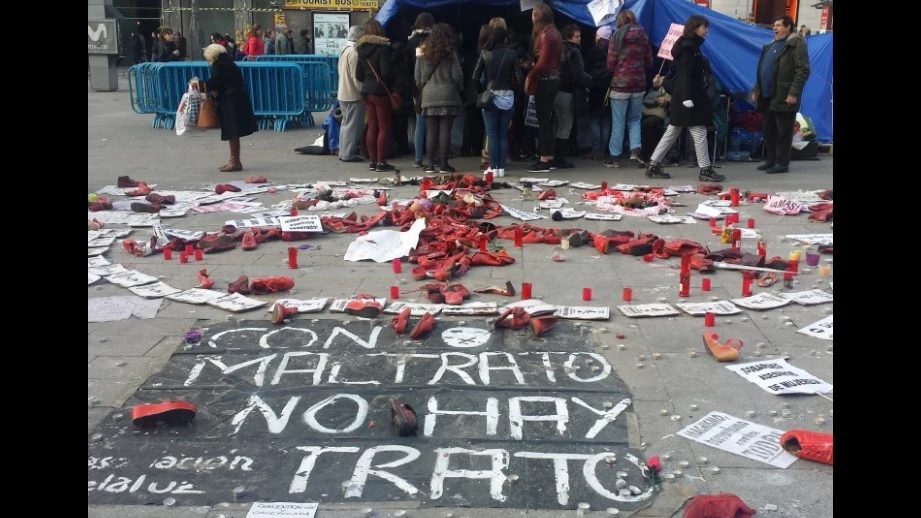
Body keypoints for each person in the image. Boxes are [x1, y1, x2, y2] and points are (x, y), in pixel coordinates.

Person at [645, 15, 725, 181]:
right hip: (688, 98)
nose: (706, 30)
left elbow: (678, 72)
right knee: (699, 132)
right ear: (696, 27)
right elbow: (686, 75)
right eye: (704, 27)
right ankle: (705, 169)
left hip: (681, 98)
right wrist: (687, 97)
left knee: (672, 132)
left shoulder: (685, 46)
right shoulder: (690, 48)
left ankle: (653, 164)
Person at [751, 15, 810, 174]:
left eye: (778, 25)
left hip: (783, 94)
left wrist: (793, 92)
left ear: (788, 27)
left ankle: (782, 163)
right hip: (767, 95)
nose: (774, 28)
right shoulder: (771, 44)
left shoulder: (794, 44)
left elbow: (802, 70)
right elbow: (763, 69)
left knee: (783, 131)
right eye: (774, 25)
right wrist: (757, 88)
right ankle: (770, 161)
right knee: (769, 130)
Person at [190, 44, 258, 172]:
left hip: (231, 100)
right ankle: (233, 160)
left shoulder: (220, 65)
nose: (208, 62)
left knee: (232, 130)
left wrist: (198, 84)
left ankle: (235, 161)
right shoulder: (228, 63)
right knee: (233, 130)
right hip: (236, 97)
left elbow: (215, 82)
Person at [604, 9, 652, 168]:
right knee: (635, 119)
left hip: (620, 85)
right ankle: (635, 153)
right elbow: (649, 62)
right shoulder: (643, 36)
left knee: (618, 122)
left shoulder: (616, 36)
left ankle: (615, 157)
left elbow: (610, 64)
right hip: (639, 84)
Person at [415, 23, 464, 173]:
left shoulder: (422, 53)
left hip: (429, 95)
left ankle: (429, 165)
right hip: (448, 94)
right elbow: (457, 75)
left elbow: (418, 77)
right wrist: (458, 87)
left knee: (431, 131)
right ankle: (444, 165)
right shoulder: (450, 52)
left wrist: (425, 86)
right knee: (445, 131)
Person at [473, 25, 521, 178]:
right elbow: (519, 78)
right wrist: (516, 94)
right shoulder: (512, 54)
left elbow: (475, 77)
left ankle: (493, 167)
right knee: (503, 134)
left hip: (490, 96)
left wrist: (481, 92)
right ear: (506, 37)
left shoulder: (485, 53)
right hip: (507, 96)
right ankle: (501, 168)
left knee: (492, 134)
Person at [525, 3, 562, 173]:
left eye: (533, 14)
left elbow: (544, 61)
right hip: (553, 79)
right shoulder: (554, 32)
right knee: (546, 119)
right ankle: (549, 156)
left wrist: (531, 74)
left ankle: (544, 157)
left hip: (546, 80)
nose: (531, 17)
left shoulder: (546, 34)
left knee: (543, 121)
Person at [356, 20, 398, 172]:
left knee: (372, 126)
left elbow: (358, 74)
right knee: (384, 127)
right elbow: (386, 72)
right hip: (380, 92)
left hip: (367, 91)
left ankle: (373, 161)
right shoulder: (383, 49)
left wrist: (369, 80)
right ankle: (381, 162)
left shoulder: (361, 50)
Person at [555, 24, 589, 170]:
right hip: (566, 90)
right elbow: (578, 73)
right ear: (569, 37)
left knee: (555, 124)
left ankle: (550, 155)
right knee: (566, 123)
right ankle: (560, 158)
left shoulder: (557, 47)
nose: (580, 39)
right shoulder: (573, 51)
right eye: (577, 36)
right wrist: (591, 82)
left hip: (553, 89)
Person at [407, 12, 435, 167]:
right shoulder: (436, 42)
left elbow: (408, 66)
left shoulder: (411, 42)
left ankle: (418, 158)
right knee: (433, 124)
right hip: (433, 85)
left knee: (419, 123)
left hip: (417, 87)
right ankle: (433, 156)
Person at [337, 25, 365, 163]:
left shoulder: (344, 50)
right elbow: (356, 77)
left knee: (345, 123)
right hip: (353, 94)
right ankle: (348, 153)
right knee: (353, 126)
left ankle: (343, 151)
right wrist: (363, 92)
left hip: (343, 92)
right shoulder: (354, 53)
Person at [584, 26, 612, 161]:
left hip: (594, 88)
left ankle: (596, 151)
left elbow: (585, 69)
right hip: (608, 89)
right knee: (606, 120)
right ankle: (603, 149)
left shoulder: (593, 52)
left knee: (594, 119)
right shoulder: (612, 52)